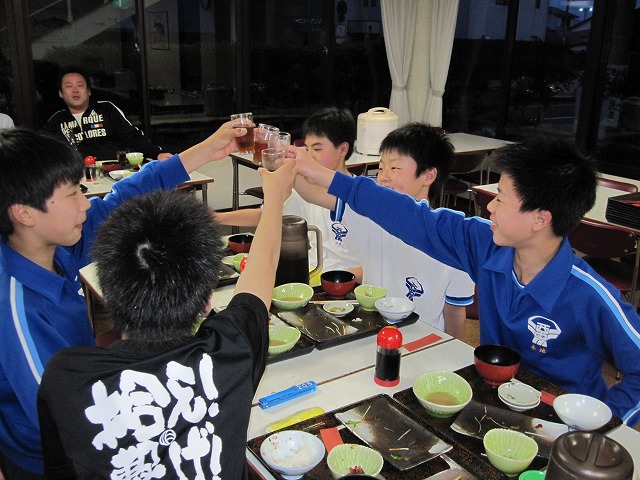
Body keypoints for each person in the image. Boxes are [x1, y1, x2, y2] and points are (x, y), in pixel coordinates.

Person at [290, 137, 640, 426]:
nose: (490, 208)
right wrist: (323, 175)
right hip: (494, 404)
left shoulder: (588, 295)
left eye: (501, 199)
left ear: (539, 219)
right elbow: (409, 216)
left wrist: (606, 428)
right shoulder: (486, 245)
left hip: (560, 428)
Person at [0, 122, 247, 478]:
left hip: (91, 395)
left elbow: (123, 198)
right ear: (24, 213)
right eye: (72, 194)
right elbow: (59, 412)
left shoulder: (55, 246)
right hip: (55, 460)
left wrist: (207, 149)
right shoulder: (16, 309)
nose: (86, 203)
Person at [37, 161, 296, 479]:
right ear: (207, 301)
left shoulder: (66, 378)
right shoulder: (231, 352)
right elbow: (262, 268)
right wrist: (274, 198)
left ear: (108, 293)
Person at [341, 124, 474, 338]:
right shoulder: (371, 219)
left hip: (421, 343)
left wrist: (451, 351)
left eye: (394, 168)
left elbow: (454, 311)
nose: (383, 177)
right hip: (370, 335)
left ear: (428, 176)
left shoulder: (452, 238)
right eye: (380, 168)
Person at [218, 106, 360, 276]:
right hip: (310, 275)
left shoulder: (360, 198)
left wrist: (339, 279)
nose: (309, 156)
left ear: (343, 149)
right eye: (306, 149)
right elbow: (266, 214)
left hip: (344, 282)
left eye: (317, 149)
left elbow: (373, 266)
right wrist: (218, 218)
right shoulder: (303, 188)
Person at [44, 67, 172, 161]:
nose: (75, 90)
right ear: (61, 93)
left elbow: (132, 136)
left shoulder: (106, 109)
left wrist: (157, 154)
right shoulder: (56, 121)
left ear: (89, 91)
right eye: (69, 86)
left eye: (80, 85)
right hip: (77, 177)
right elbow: (44, 152)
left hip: (113, 172)